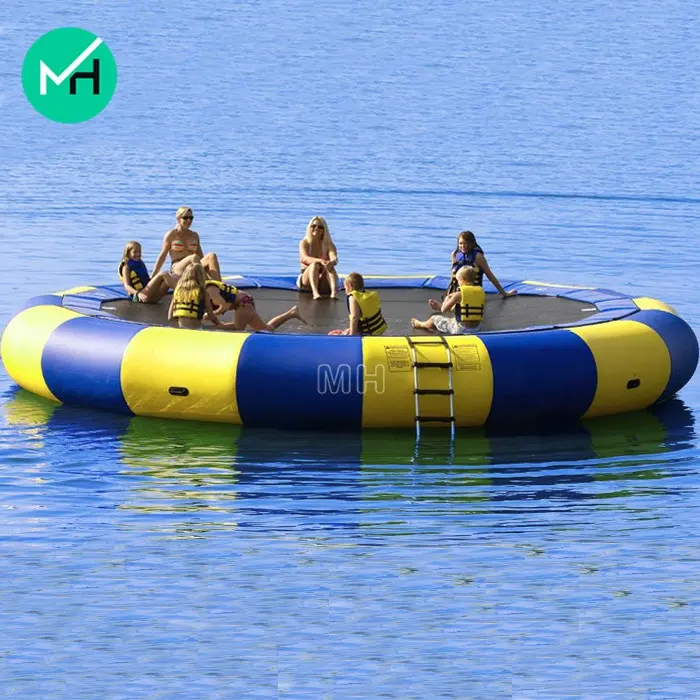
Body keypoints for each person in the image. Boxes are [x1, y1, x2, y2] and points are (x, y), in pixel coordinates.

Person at [206, 279, 307, 332]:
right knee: (266, 330)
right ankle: (291, 313)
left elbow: (224, 306)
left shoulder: (210, 289)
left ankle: (208, 328)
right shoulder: (205, 289)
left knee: (237, 328)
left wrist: (211, 317)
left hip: (243, 303)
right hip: (245, 300)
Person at [152, 206, 222, 281]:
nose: (189, 220)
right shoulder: (171, 235)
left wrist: (209, 270)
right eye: (185, 218)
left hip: (193, 266)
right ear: (178, 219)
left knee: (212, 256)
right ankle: (204, 281)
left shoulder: (194, 235)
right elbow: (162, 256)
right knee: (194, 257)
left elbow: (201, 256)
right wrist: (153, 276)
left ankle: (217, 284)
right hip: (177, 267)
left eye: (191, 218)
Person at [413, 266, 485, 335]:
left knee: (434, 319)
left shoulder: (458, 295)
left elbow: (443, 310)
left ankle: (421, 324)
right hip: (477, 328)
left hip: (461, 329)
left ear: (462, 279)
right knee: (453, 319)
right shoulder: (480, 292)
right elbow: (463, 309)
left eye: (458, 281)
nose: (458, 283)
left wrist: (447, 299)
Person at [445, 230, 516, 298]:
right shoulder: (454, 254)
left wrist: (504, 293)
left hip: (473, 291)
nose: (463, 246)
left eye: (466, 243)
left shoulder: (478, 257)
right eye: (461, 243)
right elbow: (453, 276)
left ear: (472, 243)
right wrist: (449, 291)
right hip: (457, 291)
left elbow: (490, 275)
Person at [297, 216, 339, 299]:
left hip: (323, 279)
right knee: (314, 265)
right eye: (313, 226)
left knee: (330, 267)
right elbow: (304, 258)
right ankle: (315, 293)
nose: (316, 228)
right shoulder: (304, 243)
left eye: (320, 227)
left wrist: (332, 262)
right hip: (307, 279)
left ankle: (334, 293)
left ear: (324, 230)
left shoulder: (329, 244)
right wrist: (320, 260)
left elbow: (334, 257)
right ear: (309, 227)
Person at [168, 263, 221, 330]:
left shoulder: (178, 291)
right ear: (201, 276)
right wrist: (219, 324)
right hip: (196, 329)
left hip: (181, 328)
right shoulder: (203, 292)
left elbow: (170, 317)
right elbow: (211, 316)